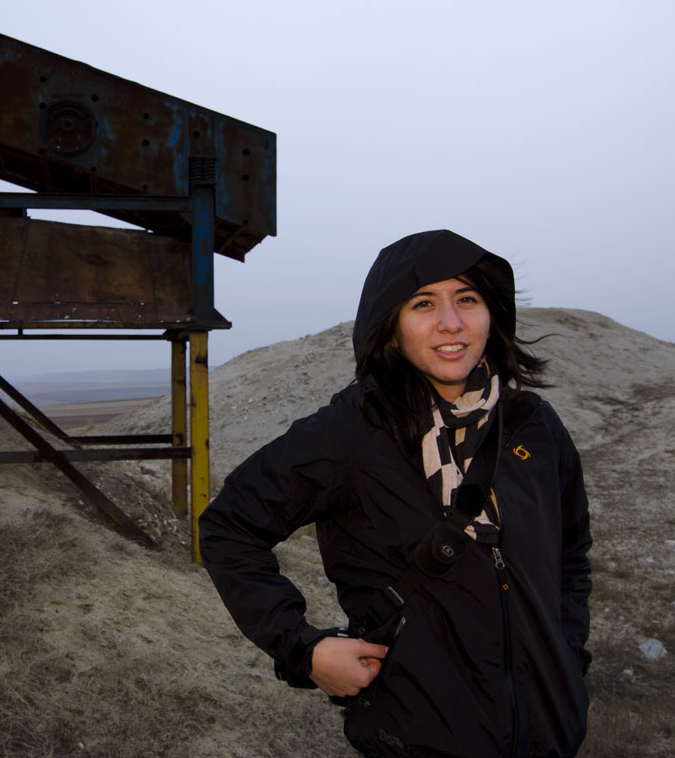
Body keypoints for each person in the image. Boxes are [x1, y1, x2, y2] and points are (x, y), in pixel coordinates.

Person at [199, 230, 592, 757]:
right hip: (416, 738)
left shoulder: (535, 428)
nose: (451, 323)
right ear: (391, 324)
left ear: (491, 314)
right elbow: (229, 527)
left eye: (467, 300)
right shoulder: (353, 431)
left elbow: (570, 559)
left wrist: (567, 662)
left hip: (550, 738)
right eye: (423, 303)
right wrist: (304, 648)